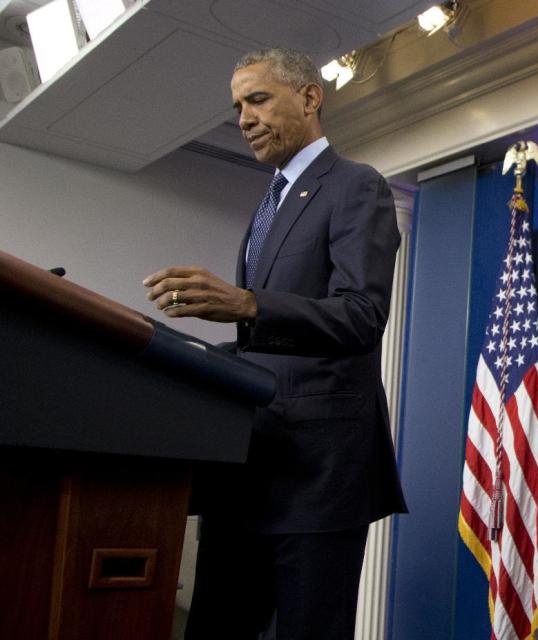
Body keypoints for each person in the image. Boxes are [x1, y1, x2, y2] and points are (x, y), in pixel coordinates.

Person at [143, 48, 407, 639]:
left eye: (258, 99)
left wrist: (249, 304)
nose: (243, 118)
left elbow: (362, 316)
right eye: (238, 106)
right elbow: (266, 349)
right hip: (250, 465)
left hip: (317, 474)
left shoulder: (354, 185)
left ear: (310, 97)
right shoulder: (272, 200)